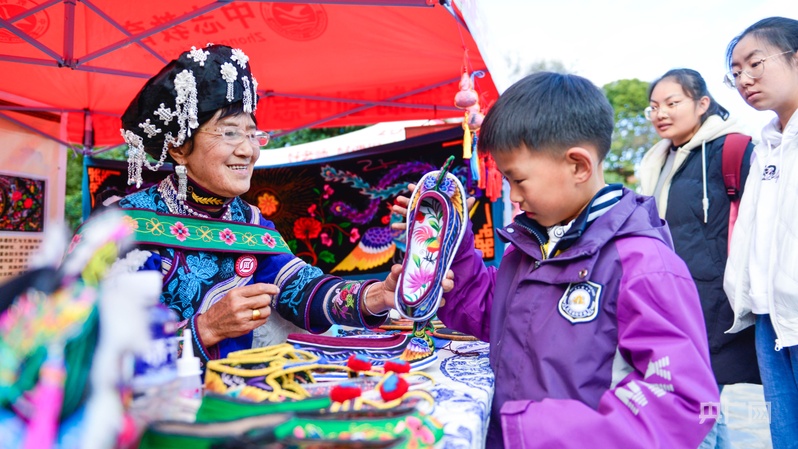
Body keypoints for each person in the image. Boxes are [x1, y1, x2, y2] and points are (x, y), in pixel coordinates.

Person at [395, 72, 718, 448]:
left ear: (578, 165)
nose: (513, 197)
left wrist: (533, 430)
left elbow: (683, 402)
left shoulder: (643, 264)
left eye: (518, 180)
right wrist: (453, 242)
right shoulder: (530, 247)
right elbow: (487, 313)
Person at [107, 44, 415, 365]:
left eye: (253, 135)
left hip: (246, 392)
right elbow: (102, 350)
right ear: (179, 148)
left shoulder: (250, 222)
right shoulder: (126, 228)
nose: (248, 150)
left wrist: (376, 296)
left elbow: (300, 289)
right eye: (229, 133)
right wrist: (207, 327)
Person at [638, 68, 759, 449]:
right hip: (671, 299)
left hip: (714, 301)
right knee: (704, 404)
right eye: (654, 106)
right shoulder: (659, 159)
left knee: (691, 405)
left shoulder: (734, 149)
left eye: (672, 103)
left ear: (702, 103)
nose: (660, 113)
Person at [723, 17, 798, 449]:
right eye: (735, 73)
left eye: (755, 63)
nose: (744, 80)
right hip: (769, 318)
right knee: (784, 436)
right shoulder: (765, 144)